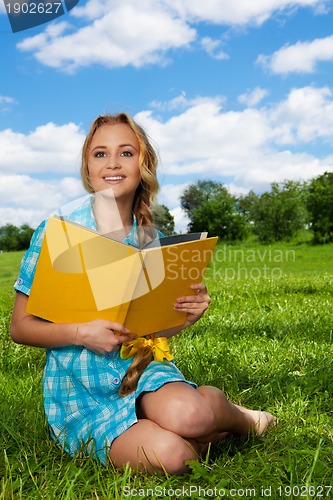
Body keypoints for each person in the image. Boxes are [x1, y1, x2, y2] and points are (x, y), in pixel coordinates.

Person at [10, 112, 276, 475]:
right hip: (81, 394)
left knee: (192, 415)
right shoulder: (58, 230)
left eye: (126, 153)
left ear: (143, 163)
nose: (113, 163)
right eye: (100, 154)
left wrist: (185, 317)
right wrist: (79, 333)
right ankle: (194, 432)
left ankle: (240, 417)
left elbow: (148, 330)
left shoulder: (147, 236)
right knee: (175, 456)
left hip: (139, 374)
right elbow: (20, 328)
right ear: (87, 166)